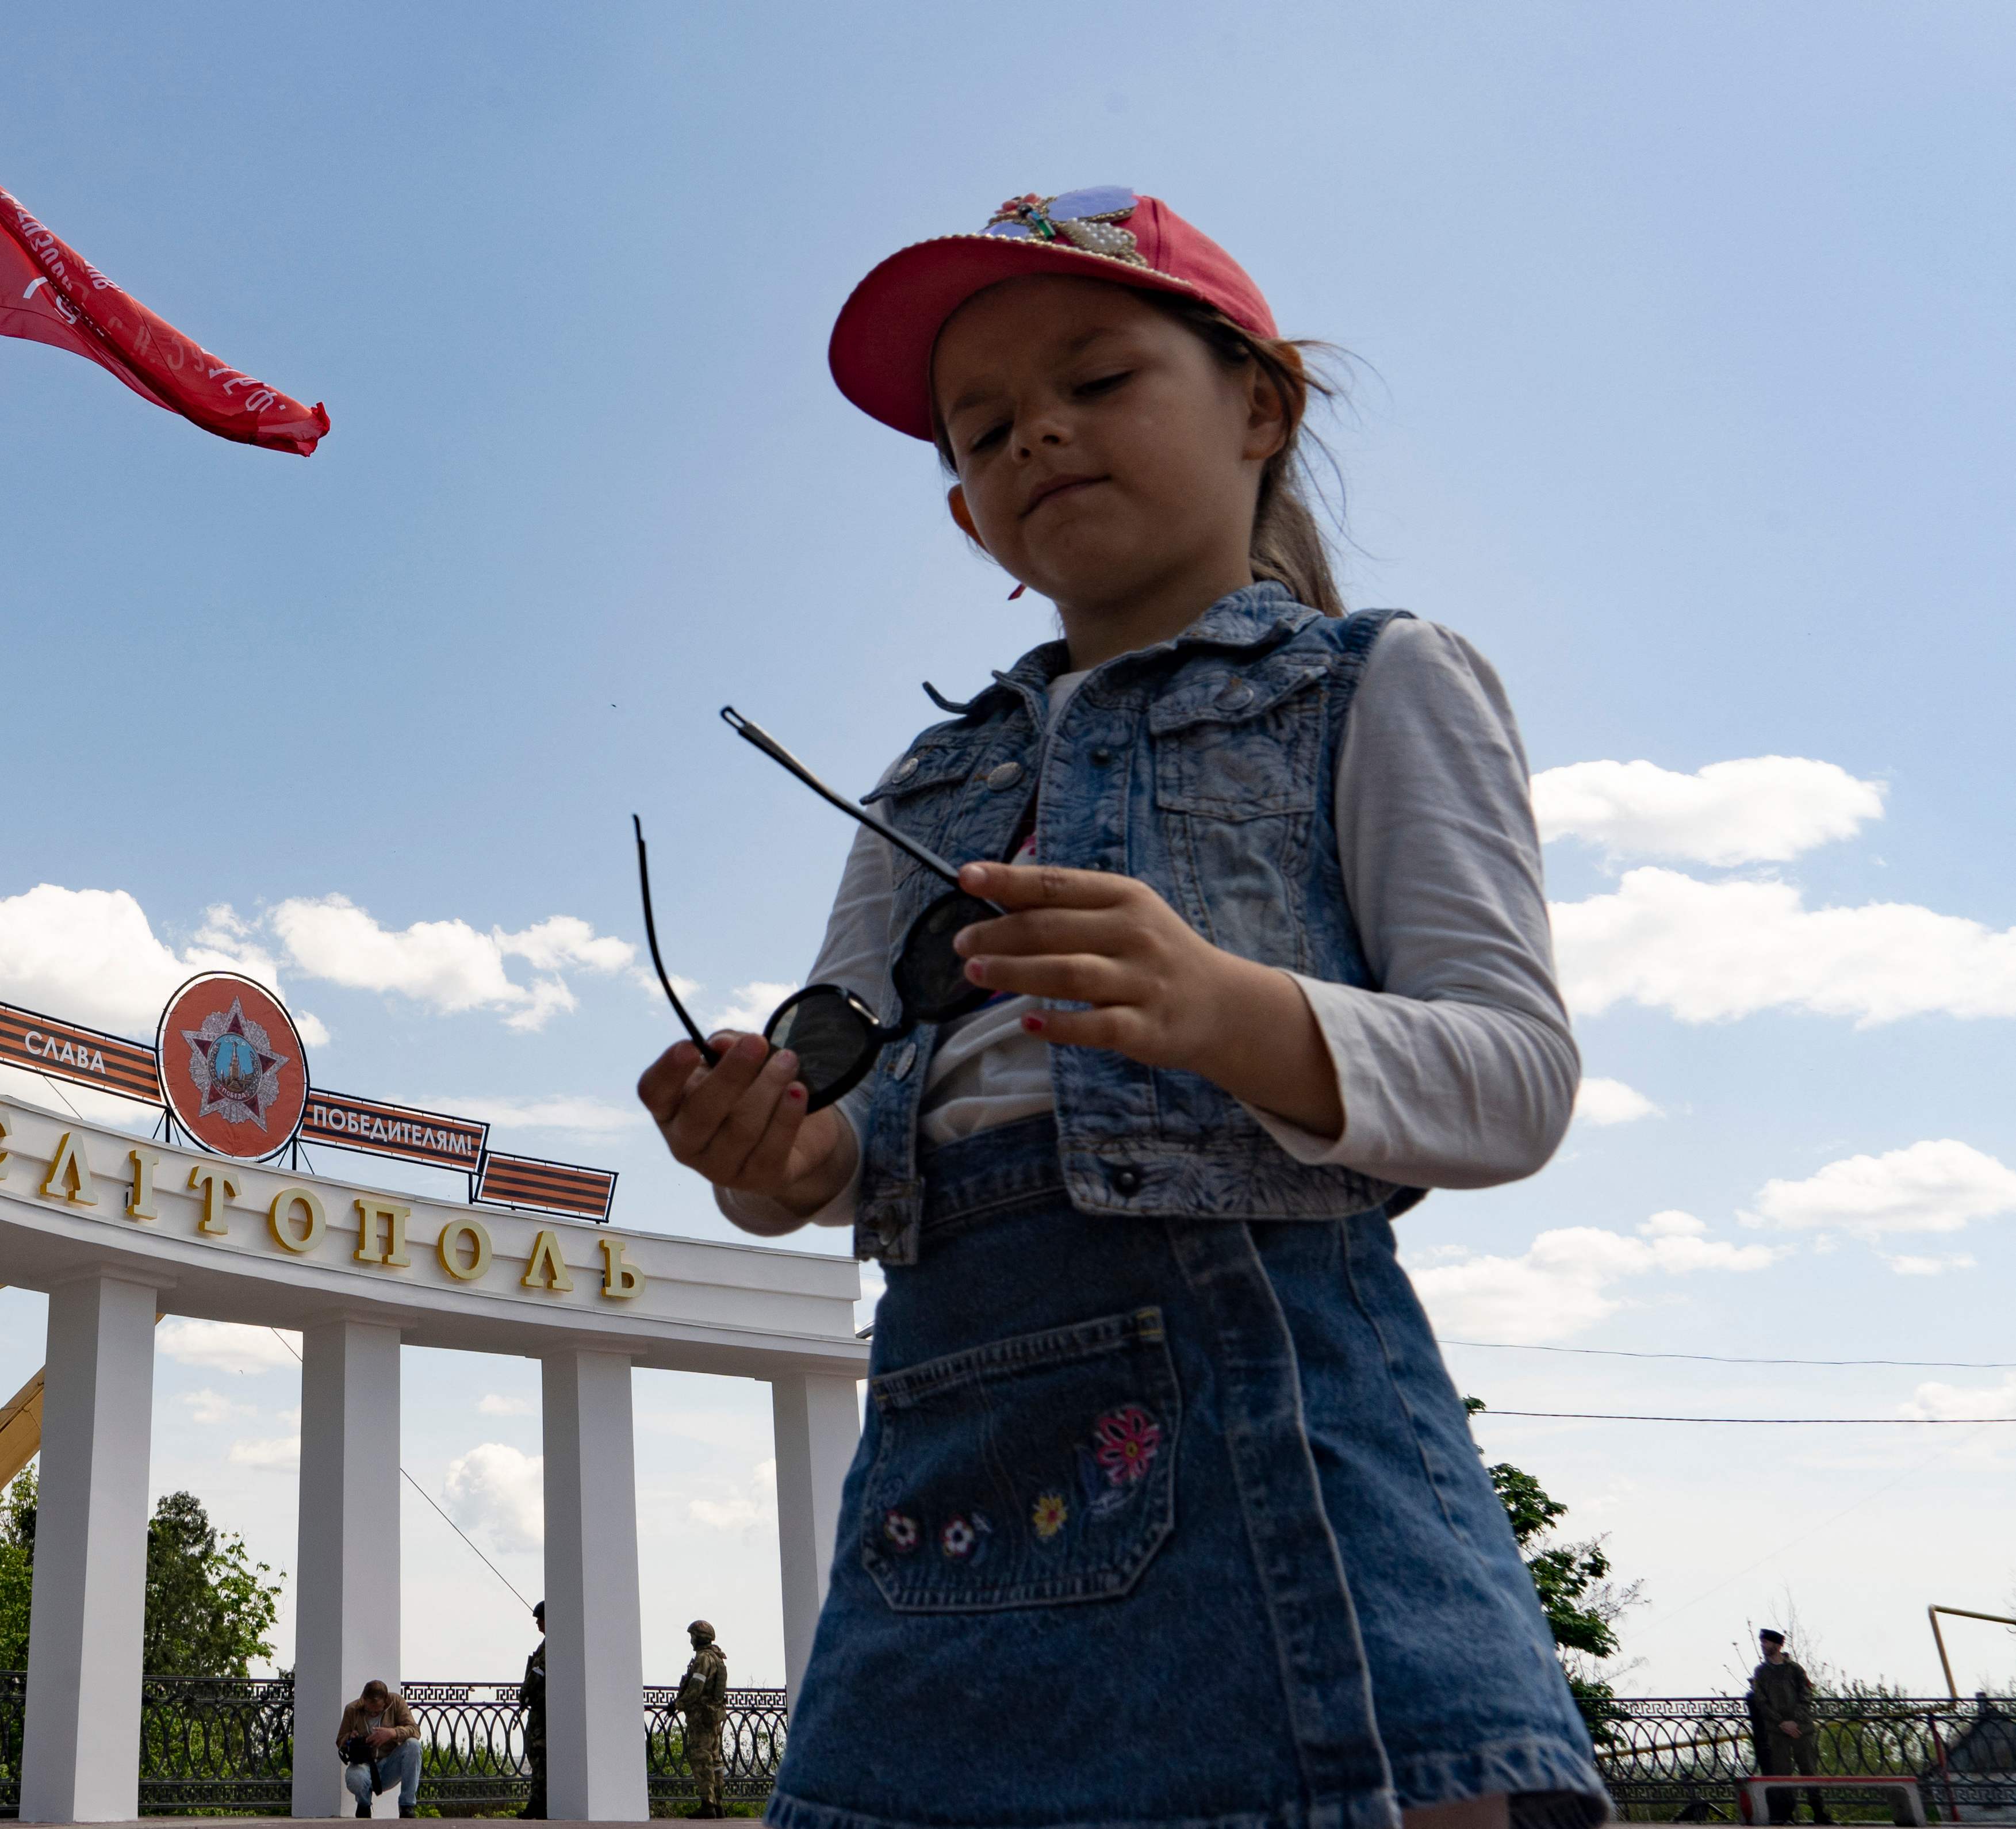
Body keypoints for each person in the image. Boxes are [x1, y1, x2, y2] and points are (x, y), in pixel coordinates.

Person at [637, 188, 1610, 1829]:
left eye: (1096, 380)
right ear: (965, 515)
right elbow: (838, 1142)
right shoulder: (926, 783)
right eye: (988, 425)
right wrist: (769, 1155)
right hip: (948, 1420)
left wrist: (1221, 1006)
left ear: (1260, 404)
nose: (1040, 436)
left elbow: (1513, 1076)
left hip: (1273, 1391)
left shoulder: (1378, 680)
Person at [1750, 1629, 1830, 1824]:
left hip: (1802, 1729)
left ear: (1777, 1645)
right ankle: (1787, 1814)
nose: (1763, 1646)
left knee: (1809, 1770)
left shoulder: (1795, 1670)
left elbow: (1806, 1695)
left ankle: (1819, 1812)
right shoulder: (1761, 1672)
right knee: (1782, 1773)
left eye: (1766, 1643)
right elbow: (1761, 1702)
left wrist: (1795, 1721)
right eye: (1762, 1643)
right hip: (1777, 1731)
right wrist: (1782, 1723)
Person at [336, 1678, 423, 1819]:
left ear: (386, 1702)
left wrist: (392, 1733)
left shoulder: (396, 1703)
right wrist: (350, 1738)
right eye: (370, 1711)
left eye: (377, 1712)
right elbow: (340, 1740)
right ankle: (364, 1805)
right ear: (363, 1700)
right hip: (364, 1765)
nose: (373, 1714)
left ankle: (407, 1805)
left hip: (391, 1763)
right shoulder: (352, 1710)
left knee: (413, 1745)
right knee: (355, 1778)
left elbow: (415, 1731)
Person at [676, 1618, 729, 1818]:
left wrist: (677, 1705)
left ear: (699, 1638)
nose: (691, 1641)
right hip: (715, 1715)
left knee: (701, 1757)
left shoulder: (704, 1659)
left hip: (702, 1717)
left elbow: (696, 1688)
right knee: (715, 1759)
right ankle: (719, 1806)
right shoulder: (717, 1658)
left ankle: (708, 1805)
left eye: (692, 1637)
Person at [520, 1600, 549, 1819]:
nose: (538, 1623)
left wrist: (528, 1691)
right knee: (535, 1753)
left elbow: (539, 1674)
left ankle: (540, 1804)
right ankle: (539, 1802)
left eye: (541, 1619)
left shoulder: (552, 1646)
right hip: (538, 1708)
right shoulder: (545, 1645)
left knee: (540, 1756)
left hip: (544, 1709)